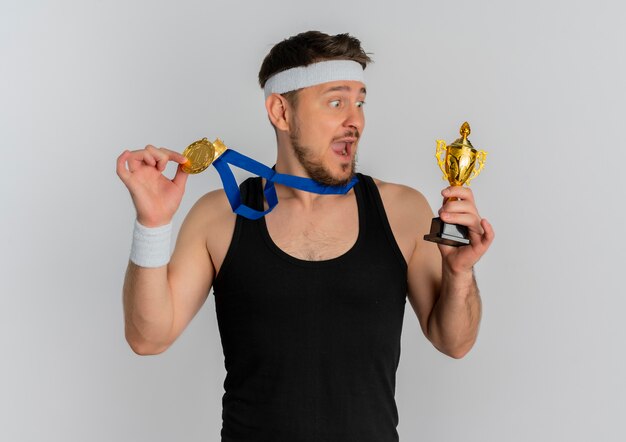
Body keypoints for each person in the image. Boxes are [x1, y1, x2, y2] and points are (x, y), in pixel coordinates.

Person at [116, 30, 494, 442]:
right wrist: (151, 224)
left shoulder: (403, 211)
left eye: (360, 101)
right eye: (336, 102)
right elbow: (147, 338)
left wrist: (459, 274)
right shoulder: (218, 216)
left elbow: (454, 342)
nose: (356, 120)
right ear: (280, 111)